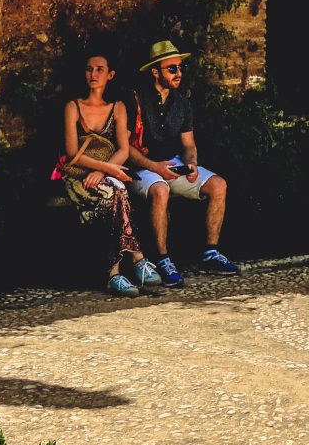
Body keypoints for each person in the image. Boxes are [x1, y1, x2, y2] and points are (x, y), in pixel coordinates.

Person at [128, 39, 238, 285]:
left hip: (172, 164)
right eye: (172, 68)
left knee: (219, 185)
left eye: (179, 67)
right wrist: (155, 167)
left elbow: (188, 144)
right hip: (142, 167)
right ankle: (163, 260)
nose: (179, 73)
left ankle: (211, 253)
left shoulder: (182, 103)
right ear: (155, 72)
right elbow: (127, 149)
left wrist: (191, 164)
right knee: (160, 190)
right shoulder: (136, 100)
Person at [60, 47, 159, 297]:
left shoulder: (118, 107)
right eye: (89, 69)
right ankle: (138, 261)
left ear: (110, 75)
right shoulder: (73, 106)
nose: (93, 74)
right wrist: (105, 170)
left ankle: (114, 275)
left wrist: (106, 174)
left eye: (99, 69)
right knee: (119, 190)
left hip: (107, 177)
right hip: (77, 177)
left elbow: (124, 149)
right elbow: (73, 154)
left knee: (115, 193)